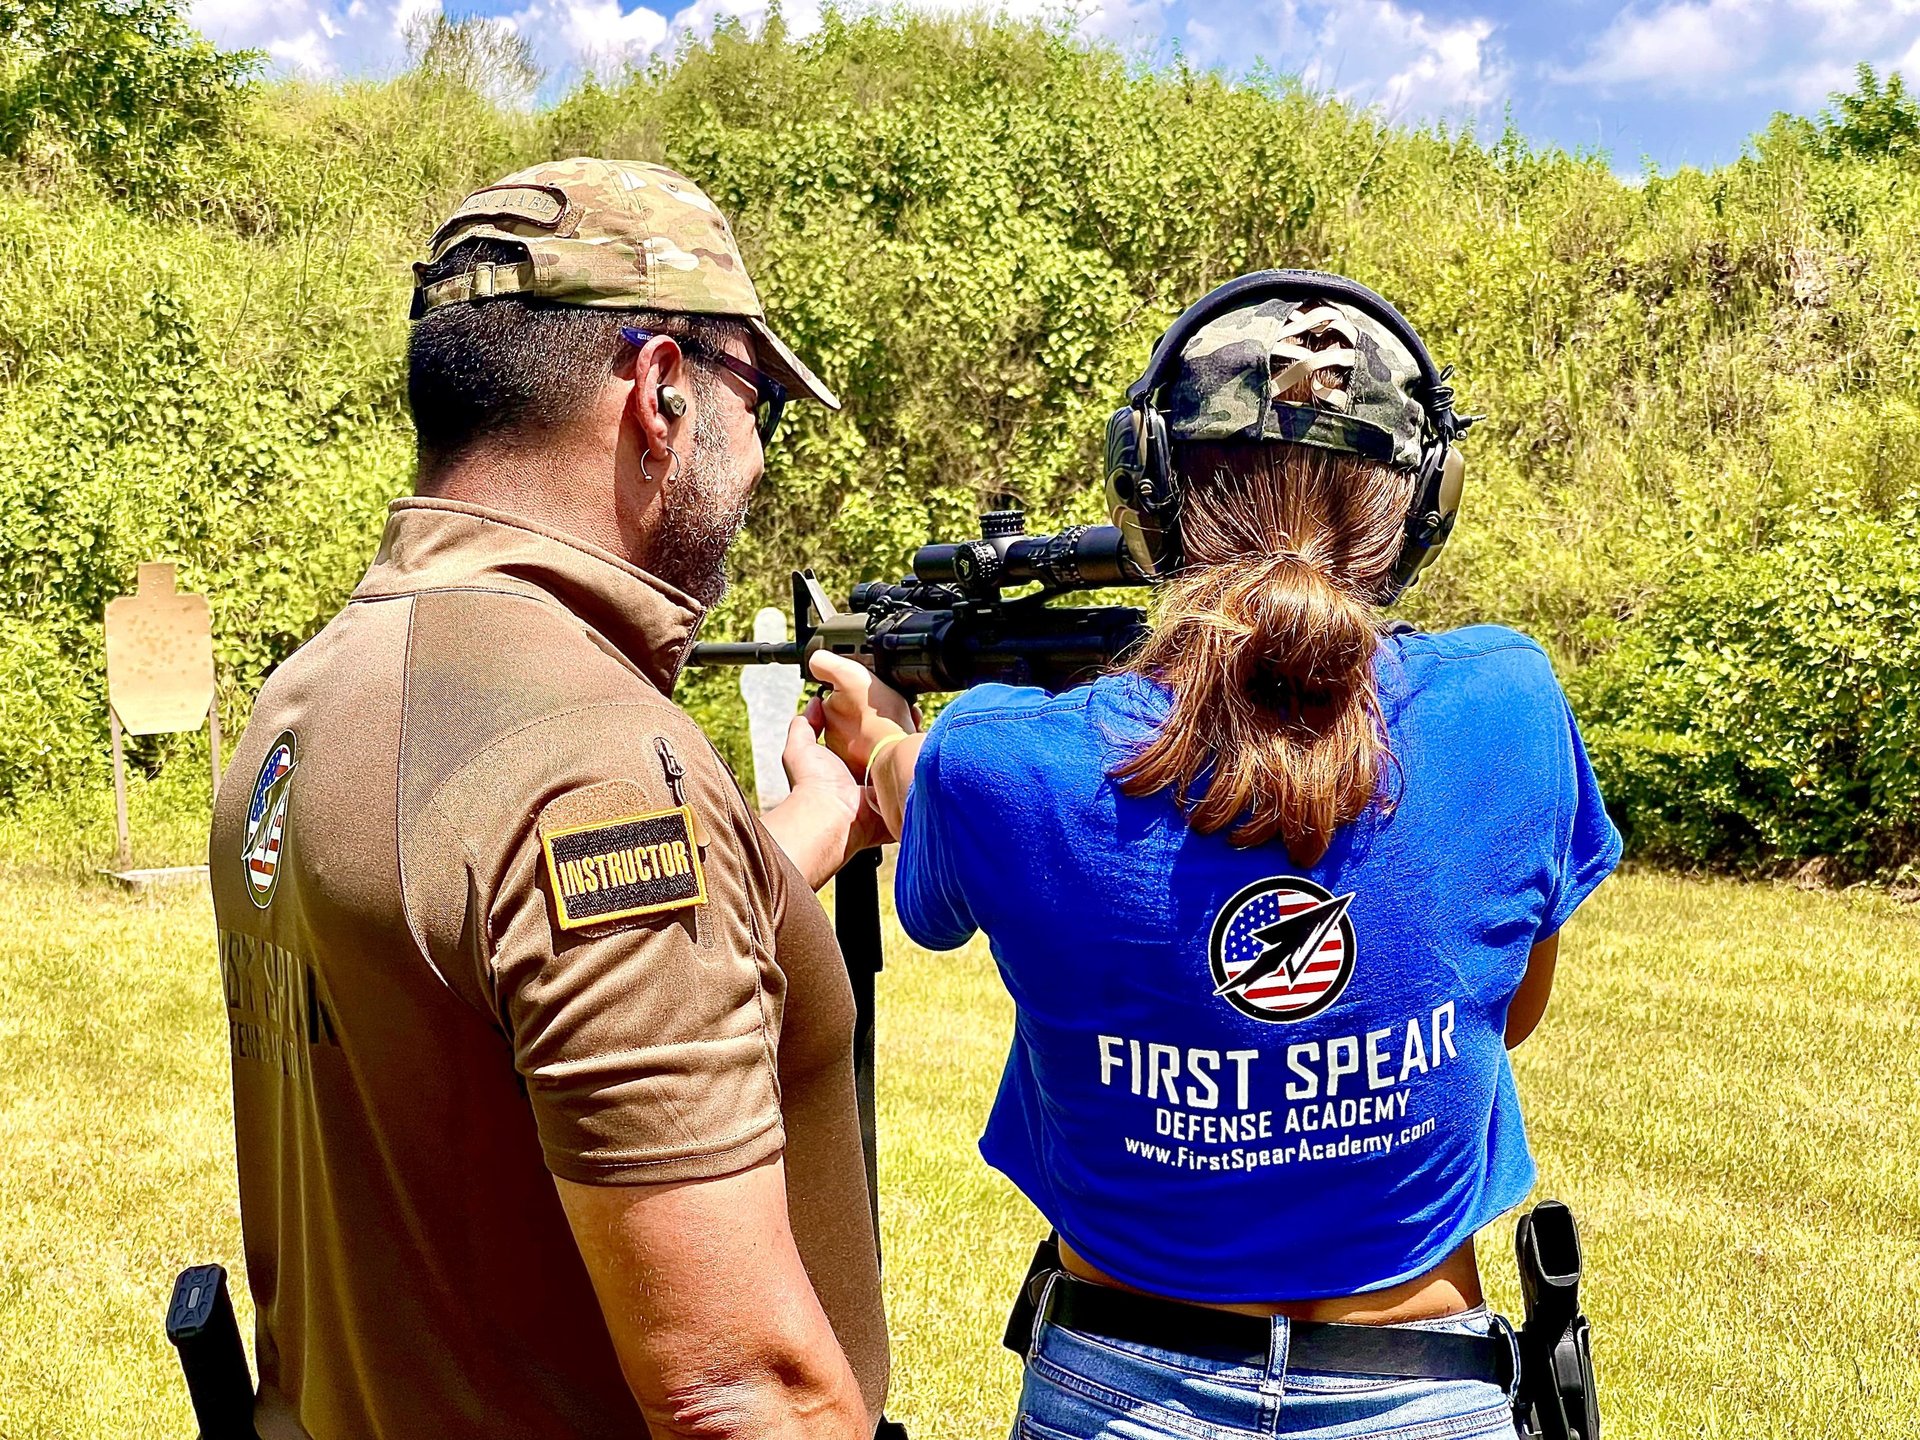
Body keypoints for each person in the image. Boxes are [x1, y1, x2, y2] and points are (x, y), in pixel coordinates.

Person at [811, 270, 1622, 1440]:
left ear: (1148, 487)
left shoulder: (992, 758)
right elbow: (1514, 1009)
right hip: (1421, 1387)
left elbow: (924, 843)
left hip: (1118, 1390)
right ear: (1424, 500)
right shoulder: (1511, 700)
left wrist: (886, 740)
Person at [209, 158, 890, 1440]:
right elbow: (737, 1387)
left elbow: (509, 963)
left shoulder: (315, 693)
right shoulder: (595, 768)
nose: (755, 463)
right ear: (662, 395)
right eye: (762, 410)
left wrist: (822, 817)